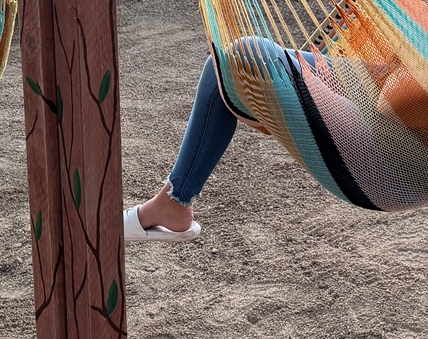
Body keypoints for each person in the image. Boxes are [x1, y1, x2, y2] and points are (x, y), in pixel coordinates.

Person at [123, 37, 318, 242]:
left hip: (353, 86)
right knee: (226, 68)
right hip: (349, 69)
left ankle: (176, 200)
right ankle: (175, 198)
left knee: (238, 59)